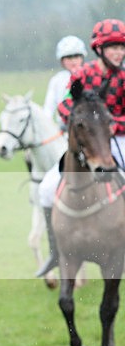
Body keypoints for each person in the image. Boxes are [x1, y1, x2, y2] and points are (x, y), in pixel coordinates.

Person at [37, 19, 125, 277]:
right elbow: (64, 105)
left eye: (122, 48)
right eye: (113, 48)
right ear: (99, 50)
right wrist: (81, 120)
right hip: (86, 143)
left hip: (118, 140)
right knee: (45, 189)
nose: (119, 53)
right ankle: (56, 252)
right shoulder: (82, 76)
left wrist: (110, 123)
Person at [43, 35, 87, 122]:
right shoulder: (56, 80)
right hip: (63, 129)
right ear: (62, 60)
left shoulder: (90, 75)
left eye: (76, 56)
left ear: (82, 58)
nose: (73, 61)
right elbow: (48, 109)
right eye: (69, 57)